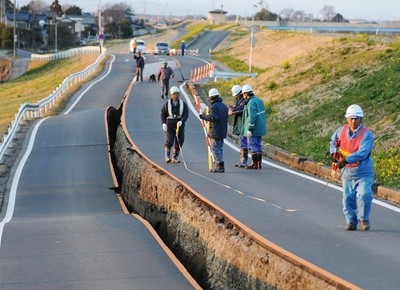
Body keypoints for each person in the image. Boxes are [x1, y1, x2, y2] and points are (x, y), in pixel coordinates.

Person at [329, 104, 374, 231]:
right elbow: (333, 142)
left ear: (361, 119)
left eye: (356, 118)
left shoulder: (367, 134)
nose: (353, 121)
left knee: (364, 195)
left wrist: (346, 160)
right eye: (351, 118)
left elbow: (363, 152)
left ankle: (364, 219)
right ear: (347, 119)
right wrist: (333, 153)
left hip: (363, 171)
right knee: (348, 198)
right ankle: (351, 221)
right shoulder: (341, 130)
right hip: (348, 173)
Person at [199, 88, 228, 173]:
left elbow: (214, 118)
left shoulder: (214, 106)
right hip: (222, 130)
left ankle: (219, 166)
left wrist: (204, 117)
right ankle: (220, 165)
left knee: (215, 148)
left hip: (216, 131)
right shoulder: (223, 106)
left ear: (211, 97)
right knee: (220, 148)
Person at [240, 84, 267, 169]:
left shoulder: (250, 103)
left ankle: (255, 164)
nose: (243, 96)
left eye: (243, 94)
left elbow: (252, 117)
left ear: (246, 94)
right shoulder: (259, 101)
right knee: (258, 145)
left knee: (253, 145)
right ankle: (259, 164)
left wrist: (249, 129)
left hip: (254, 128)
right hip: (261, 127)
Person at [160, 86, 189, 163]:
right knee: (169, 141)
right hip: (170, 124)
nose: (175, 96)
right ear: (171, 95)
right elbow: (163, 114)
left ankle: (175, 156)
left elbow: (185, 115)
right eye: (174, 94)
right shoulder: (167, 104)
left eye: (177, 94)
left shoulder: (183, 104)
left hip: (180, 125)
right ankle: (167, 156)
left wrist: (182, 121)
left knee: (180, 141)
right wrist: (163, 123)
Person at [228, 85, 249, 168]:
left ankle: (244, 161)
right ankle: (242, 160)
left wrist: (232, 110)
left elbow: (241, 108)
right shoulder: (239, 100)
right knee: (241, 143)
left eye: (237, 94)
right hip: (241, 124)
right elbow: (237, 107)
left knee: (243, 143)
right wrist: (232, 108)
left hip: (243, 124)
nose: (236, 96)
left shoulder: (244, 100)